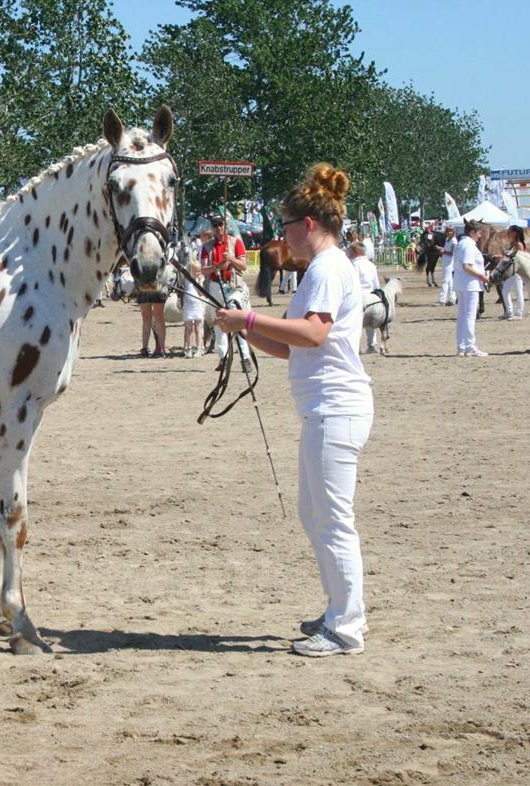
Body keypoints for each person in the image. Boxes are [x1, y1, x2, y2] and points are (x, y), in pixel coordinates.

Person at [214, 163, 373, 657]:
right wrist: (245, 330)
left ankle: (346, 628)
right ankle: (337, 611)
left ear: (307, 225)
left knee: (331, 518)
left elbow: (313, 333)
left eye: (283, 227)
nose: (279, 236)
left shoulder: (327, 268)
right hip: (324, 407)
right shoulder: (320, 269)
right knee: (315, 514)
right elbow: (291, 347)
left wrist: (250, 317)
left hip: (336, 407)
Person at [200, 214, 247, 365]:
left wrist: (231, 259)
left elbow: (243, 266)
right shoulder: (207, 247)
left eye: (221, 225)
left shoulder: (235, 242)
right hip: (215, 286)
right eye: (215, 226)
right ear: (212, 228)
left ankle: (245, 357)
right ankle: (223, 357)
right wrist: (216, 266)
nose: (219, 228)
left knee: (238, 321)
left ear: (225, 226)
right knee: (220, 322)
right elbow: (204, 269)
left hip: (233, 286)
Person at [453, 220, 490, 356]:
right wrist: (482, 276)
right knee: (469, 316)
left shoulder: (462, 244)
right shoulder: (468, 245)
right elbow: (467, 266)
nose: (480, 236)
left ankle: (462, 346)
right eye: (479, 233)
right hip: (469, 283)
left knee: (463, 316)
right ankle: (470, 346)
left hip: (462, 283)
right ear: (472, 232)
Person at [136, 276, 168, 358]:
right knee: (146, 318)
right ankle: (144, 348)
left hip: (157, 284)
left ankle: (161, 348)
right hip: (143, 285)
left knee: (159, 317)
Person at [180, 258, 206, 358]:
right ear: (191, 271)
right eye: (197, 271)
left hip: (197, 306)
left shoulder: (199, 280)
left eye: (200, 270)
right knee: (188, 328)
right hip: (188, 307)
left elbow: (201, 293)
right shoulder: (186, 280)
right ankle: (188, 348)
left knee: (198, 328)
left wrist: (199, 282)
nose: (199, 272)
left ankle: (199, 348)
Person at [500, 225, 526, 321]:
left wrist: (507, 254)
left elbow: (520, 258)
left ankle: (518, 313)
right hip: (511, 271)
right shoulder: (513, 243)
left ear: (515, 233)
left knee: (518, 292)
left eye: (510, 232)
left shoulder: (519, 244)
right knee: (505, 291)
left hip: (516, 271)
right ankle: (509, 311)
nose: (508, 233)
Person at [436, 226, 456, 306]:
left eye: (450, 231)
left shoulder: (454, 241)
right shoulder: (447, 240)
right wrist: (441, 248)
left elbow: (453, 253)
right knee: (450, 281)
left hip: (449, 263)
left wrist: (443, 252)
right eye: (447, 231)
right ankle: (452, 298)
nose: (448, 233)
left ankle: (442, 299)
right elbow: (446, 249)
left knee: (445, 280)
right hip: (446, 262)